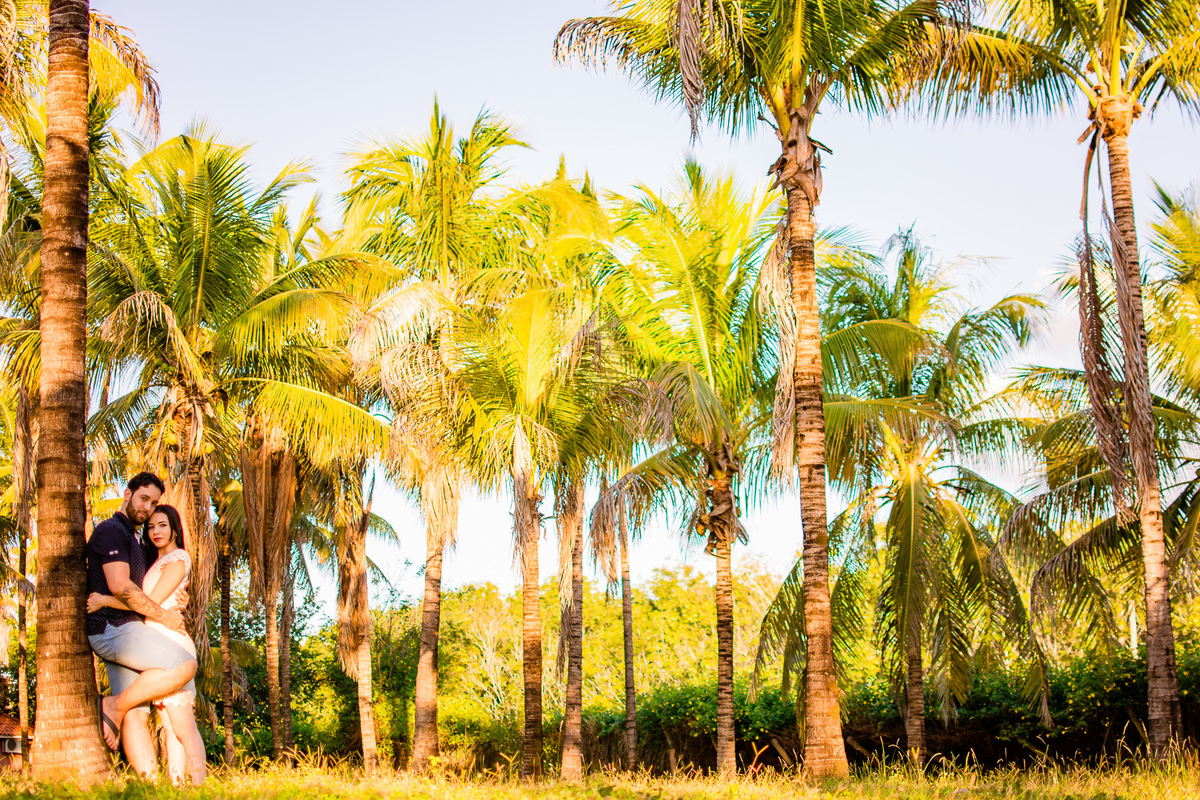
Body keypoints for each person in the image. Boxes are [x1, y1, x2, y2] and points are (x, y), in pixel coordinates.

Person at [86, 472, 197, 777]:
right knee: (183, 665)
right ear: (127, 493)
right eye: (143, 498)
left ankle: (149, 785)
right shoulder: (111, 531)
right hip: (113, 628)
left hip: (129, 630)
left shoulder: (136, 539)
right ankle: (112, 706)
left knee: (135, 712)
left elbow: (151, 589)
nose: (148, 508)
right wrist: (166, 616)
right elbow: (121, 587)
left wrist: (175, 599)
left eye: (154, 503)